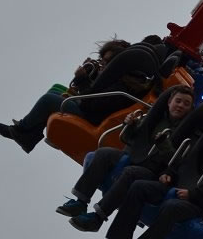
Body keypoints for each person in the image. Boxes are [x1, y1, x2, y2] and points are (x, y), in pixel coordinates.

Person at [55, 85, 195, 230]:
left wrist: (164, 144)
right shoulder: (155, 117)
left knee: (131, 172)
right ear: (169, 102)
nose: (180, 106)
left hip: (153, 170)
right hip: (134, 155)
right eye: (178, 101)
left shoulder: (188, 133)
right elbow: (129, 138)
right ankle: (80, 201)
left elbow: (177, 161)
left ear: (190, 109)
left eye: (186, 104)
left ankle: (98, 218)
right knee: (103, 153)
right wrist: (130, 125)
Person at [0, 38, 131, 152]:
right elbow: (94, 96)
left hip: (92, 117)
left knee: (48, 100)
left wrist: (82, 80)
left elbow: (91, 104)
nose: (102, 64)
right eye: (102, 60)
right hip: (91, 109)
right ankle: (30, 134)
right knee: (57, 89)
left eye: (106, 61)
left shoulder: (120, 84)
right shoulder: (113, 78)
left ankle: (22, 130)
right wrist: (92, 76)